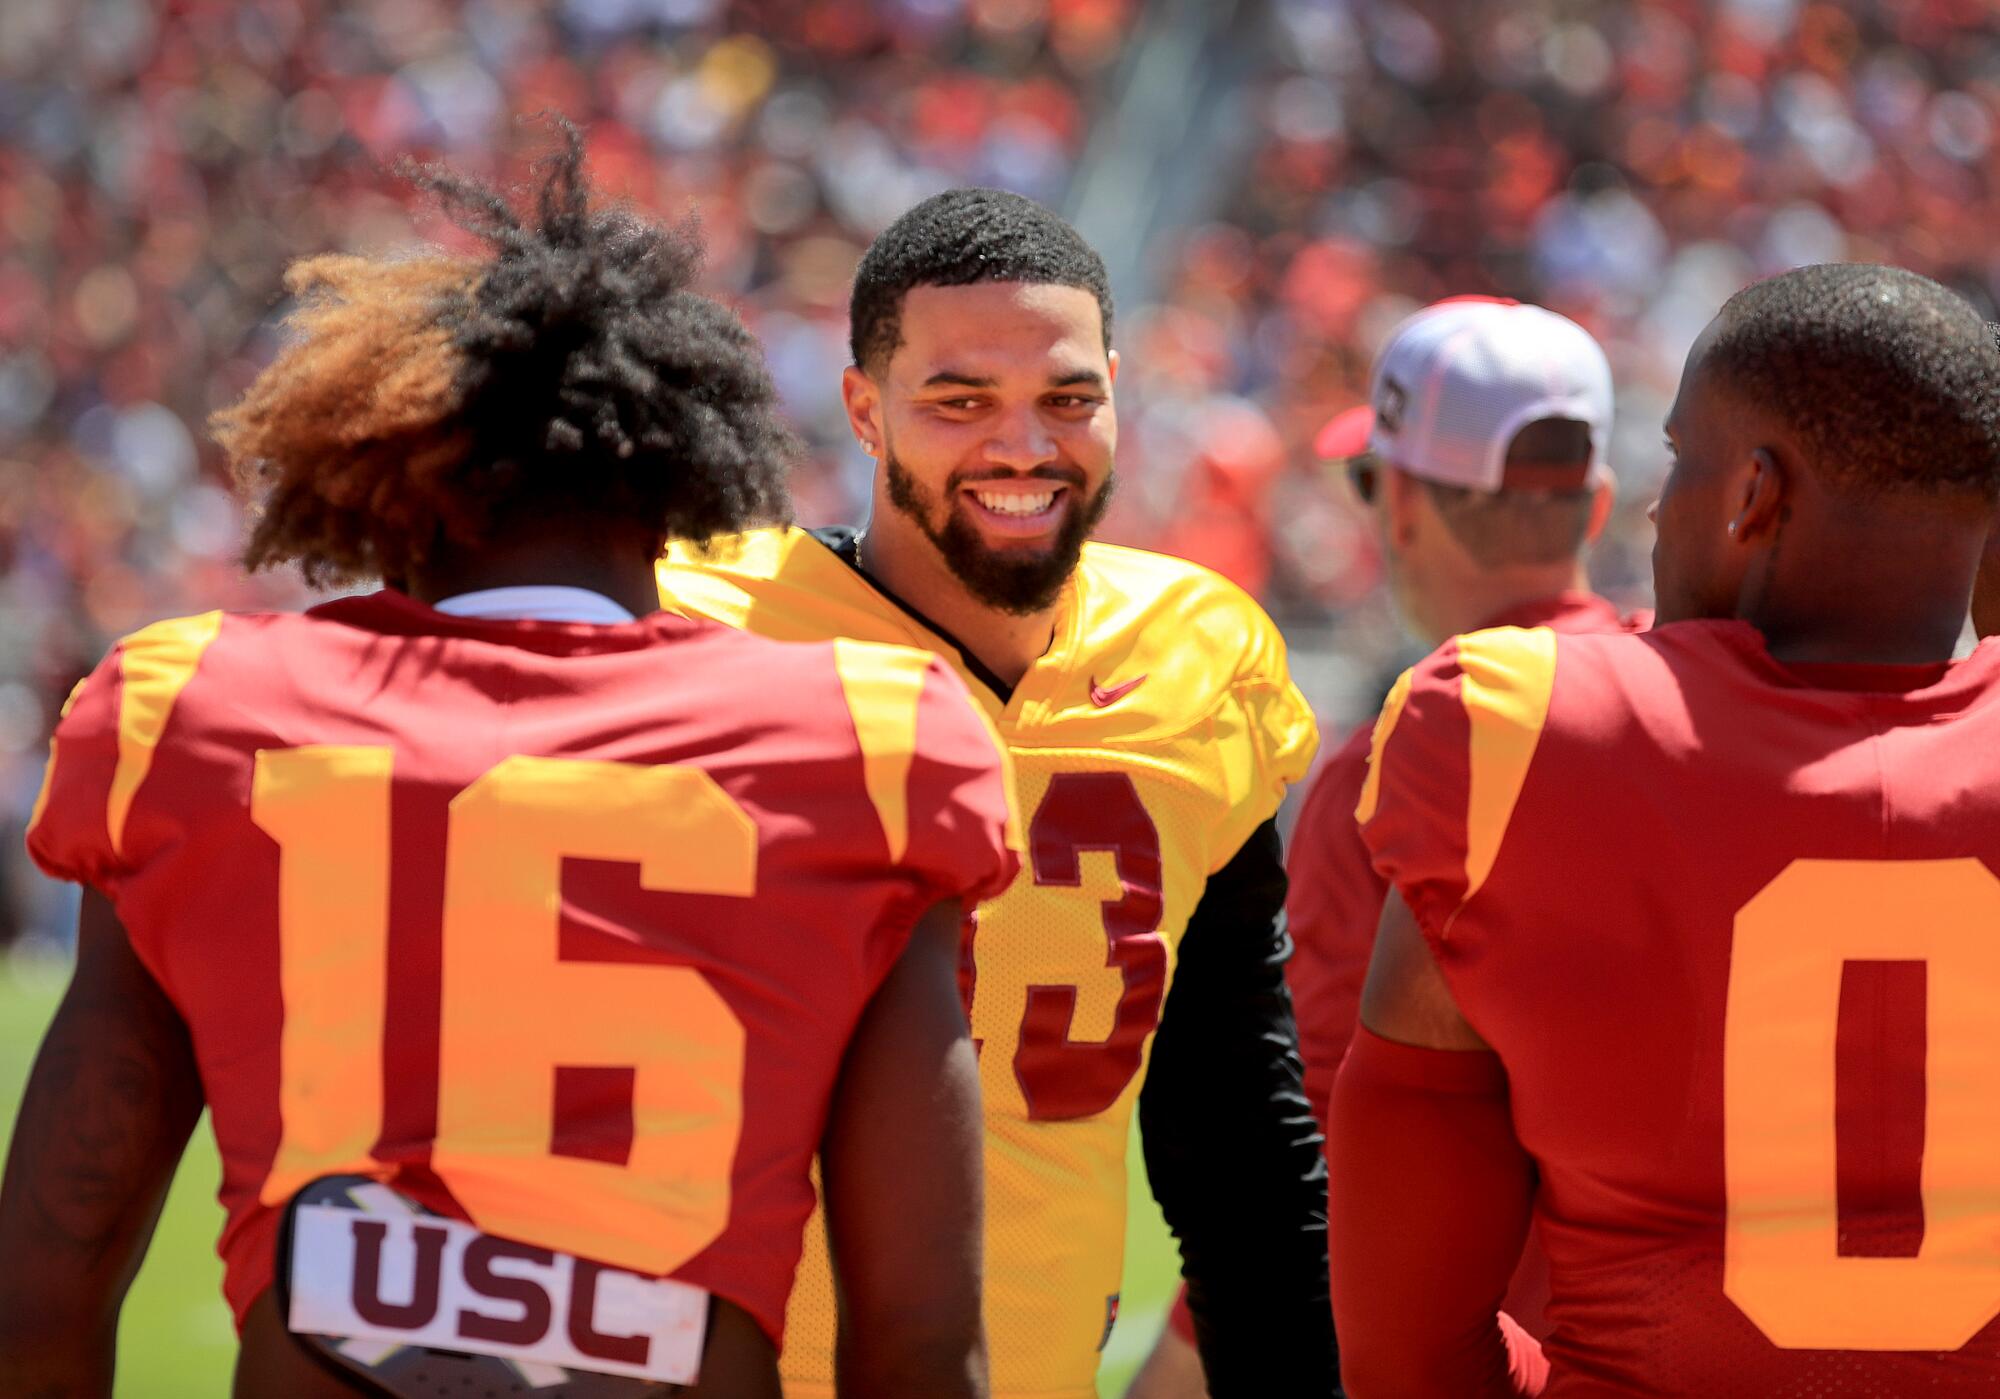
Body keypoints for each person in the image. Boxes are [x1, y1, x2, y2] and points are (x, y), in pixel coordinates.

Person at [0, 126, 1018, 1399]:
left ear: (376, 473)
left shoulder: (192, 713)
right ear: (680, 476)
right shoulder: (867, 741)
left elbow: (44, 1294)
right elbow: (922, 1338)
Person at [656, 188, 1335, 1399]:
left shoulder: (1196, 651)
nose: (1022, 445)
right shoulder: (695, 628)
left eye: (1067, 399)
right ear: (863, 409)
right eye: (959, 400)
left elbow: (1234, 1134)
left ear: (1118, 391)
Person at [1330, 261, 2000, 1396]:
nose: (1654, 502)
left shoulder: (1520, 734)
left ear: (1752, 495)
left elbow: (1405, 1348)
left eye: (1681, 459)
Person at [1131, 295, 1642, 1398]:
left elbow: (1293, 1159)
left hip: (1468, 1362)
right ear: (1594, 504)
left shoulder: (1402, 762)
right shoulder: (1702, 708)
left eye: (1370, 482)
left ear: (1400, 501)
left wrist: (1168, 1377)